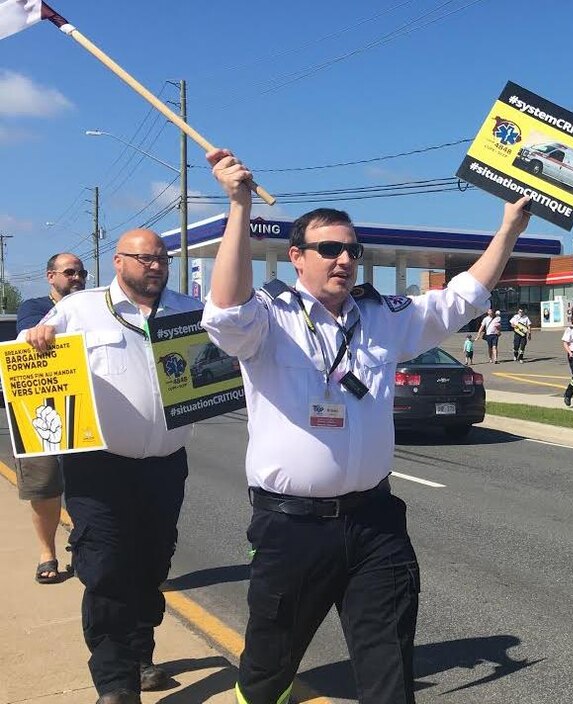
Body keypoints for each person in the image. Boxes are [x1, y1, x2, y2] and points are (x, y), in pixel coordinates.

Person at [201, 149, 531, 704]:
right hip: (291, 529)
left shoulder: (380, 315)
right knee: (268, 668)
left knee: (388, 666)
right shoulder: (268, 317)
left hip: (374, 522)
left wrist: (509, 229)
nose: (344, 260)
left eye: (352, 251)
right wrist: (238, 205)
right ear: (297, 257)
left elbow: (460, 301)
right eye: (329, 249)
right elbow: (226, 312)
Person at [23, 231, 202, 704]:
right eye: (146, 258)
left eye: (162, 259)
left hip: (166, 465)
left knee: (152, 561)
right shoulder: (80, 308)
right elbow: (26, 351)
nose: (157, 266)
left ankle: (140, 654)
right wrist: (37, 336)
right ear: (119, 262)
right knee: (105, 567)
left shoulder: (188, 311)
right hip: (99, 468)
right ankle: (115, 681)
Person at [16, 252, 86, 585]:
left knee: (91, 484)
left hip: (84, 409)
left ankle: (86, 549)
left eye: (81, 273)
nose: (77, 277)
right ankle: (47, 553)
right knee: (44, 485)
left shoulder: (91, 306)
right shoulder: (32, 307)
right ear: (50, 276)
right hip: (38, 410)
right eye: (70, 272)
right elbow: (33, 333)